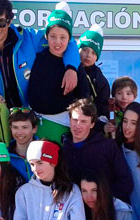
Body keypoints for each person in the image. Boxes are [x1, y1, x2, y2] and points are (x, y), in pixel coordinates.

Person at [28, 2, 89, 143]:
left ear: (69, 39)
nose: (57, 42)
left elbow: (84, 97)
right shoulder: (38, 58)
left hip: (66, 127)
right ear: (46, 37)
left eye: (63, 37)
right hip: (39, 126)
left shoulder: (75, 66)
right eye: (53, 36)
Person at [61, 99, 134, 203]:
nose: (78, 125)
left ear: (92, 124)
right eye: (75, 119)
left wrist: (103, 200)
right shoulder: (64, 149)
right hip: (77, 212)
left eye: (84, 121)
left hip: (107, 210)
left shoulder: (107, 146)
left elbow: (125, 182)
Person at [78, 24, 110, 124]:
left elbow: (103, 109)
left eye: (93, 53)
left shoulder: (101, 81)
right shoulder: (68, 70)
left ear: (97, 57)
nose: (88, 55)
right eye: (85, 50)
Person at [8, 107, 39, 181]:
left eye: (24, 127)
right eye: (15, 127)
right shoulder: (5, 156)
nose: (19, 132)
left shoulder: (45, 151)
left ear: (34, 129)